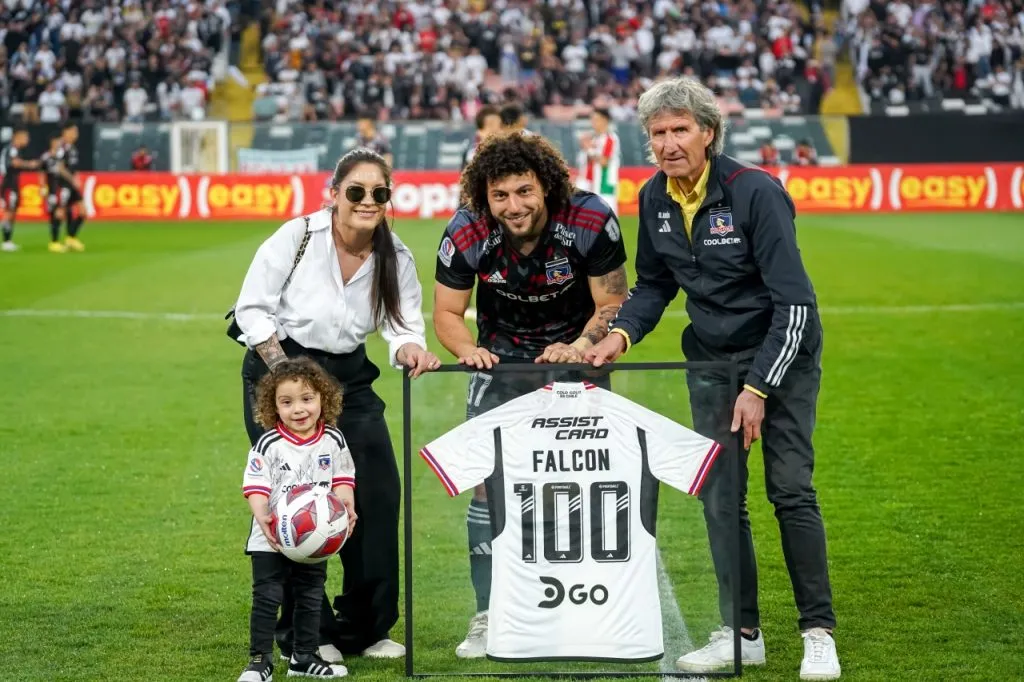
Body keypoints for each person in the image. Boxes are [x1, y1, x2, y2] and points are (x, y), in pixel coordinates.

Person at [585, 77, 841, 681]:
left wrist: (758, 389)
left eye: (680, 130)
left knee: (791, 490)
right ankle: (740, 632)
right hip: (709, 359)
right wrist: (619, 335)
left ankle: (818, 631)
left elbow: (796, 304)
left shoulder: (756, 192)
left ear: (708, 132)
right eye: (658, 133)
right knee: (721, 497)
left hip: (781, 355)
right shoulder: (653, 198)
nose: (669, 143)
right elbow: (653, 285)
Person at [232, 148, 441, 661]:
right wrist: (286, 373)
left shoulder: (397, 256)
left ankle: (367, 628)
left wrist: (408, 345)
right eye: (356, 191)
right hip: (280, 369)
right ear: (334, 195)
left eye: (379, 193)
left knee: (376, 495)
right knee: (294, 499)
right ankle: (306, 634)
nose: (367, 201)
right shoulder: (297, 236)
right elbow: (251, 308)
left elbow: (402, 322)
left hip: (349, 376)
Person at [433, 132, 629, 658]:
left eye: (524, 191)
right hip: (501, 361)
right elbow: (448, 315)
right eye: (501, 196)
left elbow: (613, 304)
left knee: (580, 482)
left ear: (547, 186)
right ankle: (488, 612)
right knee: (487, 485)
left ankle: (579, 609)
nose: (514, 206)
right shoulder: (467, 229)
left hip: (577, 358)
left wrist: (582, 344)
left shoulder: (590, 219)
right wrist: (468, 351)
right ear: (485, 196)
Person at [239, 358, 357, 681]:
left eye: (307, 399)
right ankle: (259, 661)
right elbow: (256, 486)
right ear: (273, 406)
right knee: (268, 597)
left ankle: (304, 657)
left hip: (316, 537)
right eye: (287, 402)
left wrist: (347, 505)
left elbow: (343, 479)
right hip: (271, 537)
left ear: (323, 398)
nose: (299, 409)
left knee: (309, 595)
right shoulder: (268, 444)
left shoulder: (333, 440)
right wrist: (262, 515)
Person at [576, 107, 621, 215]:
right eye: (592, 119)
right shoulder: (596, 139)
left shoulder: (610, 138)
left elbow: (604, 161)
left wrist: (589, 149)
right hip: (594, 182)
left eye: (596, 119)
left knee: (607, 214)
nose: (593, 123)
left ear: (604, 120)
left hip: (605, 183)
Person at [0, 127, 39, 252]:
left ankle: (8, 240)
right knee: (9, 211)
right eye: (25, 137)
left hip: (12, 183)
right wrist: (29, 164)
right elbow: (14, 163)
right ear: (18, 137)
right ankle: (6, 241)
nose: (27, 140)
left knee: (12, 211)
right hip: (8, 184)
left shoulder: (13, 149)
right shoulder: (12, 149)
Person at [40, 135, 73, 253]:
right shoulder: (46, 157)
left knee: (60, 212)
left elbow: (63, 169)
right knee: (55, 214)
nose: (58, 143)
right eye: (56, 141)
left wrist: (70, 179)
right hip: (52, 189)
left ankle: (56, 241)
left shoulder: (62, 155)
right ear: (52, 142)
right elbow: (42, 173)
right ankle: (54, 242)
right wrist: (43, 187)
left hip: (61, 188)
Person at [59, 122, 86, 252]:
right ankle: (56, 241)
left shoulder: (73, 148)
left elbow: (73, 167)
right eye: (74, 131)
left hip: (72, 184)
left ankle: (71, 237)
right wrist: (72, 179)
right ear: (66, 132)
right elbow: (60, 168)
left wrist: (77, 177)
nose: (76, 135)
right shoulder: (61, 148)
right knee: (62, 212)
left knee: (82, 211)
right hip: (63, 184)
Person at [461, 105, 501, 170]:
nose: (500, 130)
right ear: (490, 124)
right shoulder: (473, 145)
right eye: (499, 125)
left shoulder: (497, 144)